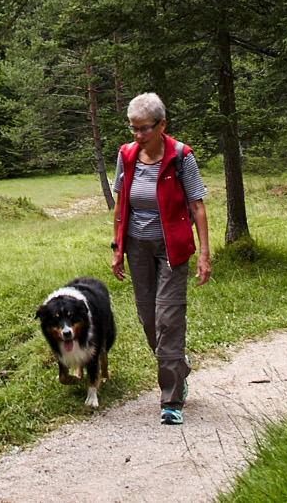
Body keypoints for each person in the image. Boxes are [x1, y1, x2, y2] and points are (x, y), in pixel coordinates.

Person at [110, 92, 211, 425]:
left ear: (162, 124)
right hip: (137, 247)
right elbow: (121, 205)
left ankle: (172, 400)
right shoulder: (126, 156)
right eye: (134, 128)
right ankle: (178, 364)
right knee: (148, 319)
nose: (138, 135)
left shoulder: (181, 157)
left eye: (145, 129)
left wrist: (204, 254)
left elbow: (196, 206)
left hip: (171, 248)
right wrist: (116, 249)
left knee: (168, 318)